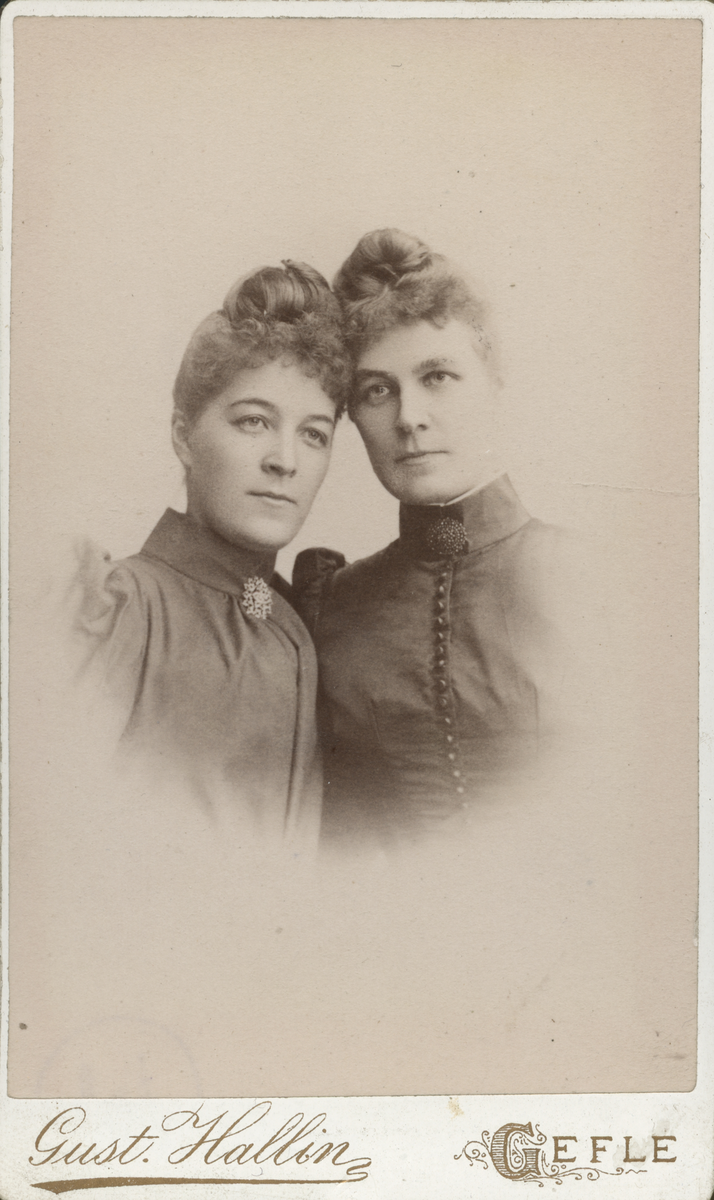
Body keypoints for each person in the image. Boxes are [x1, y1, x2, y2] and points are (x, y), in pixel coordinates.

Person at [293, 229, 569, 849]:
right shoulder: (327, 607)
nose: (409, 418)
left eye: (438, 376)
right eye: (377, 390)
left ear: (494, 380)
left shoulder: (602, 577)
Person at [69, 260, 350, 851]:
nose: (285, 461)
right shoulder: (121, 607)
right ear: (183, 436)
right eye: (254, 421)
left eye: (314, 434)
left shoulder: (294, 623)